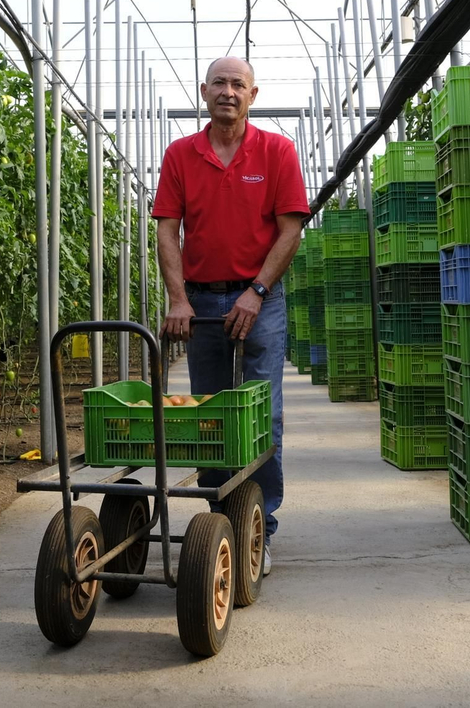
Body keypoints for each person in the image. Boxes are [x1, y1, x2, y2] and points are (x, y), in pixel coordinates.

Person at [152, 56, 308, 577]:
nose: (228, 91)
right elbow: (167, 230)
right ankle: (221, 523)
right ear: (204, 91)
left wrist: (257, 291)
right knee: (212, 415)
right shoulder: (181, 154)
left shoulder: (277, 151)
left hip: (259, 302)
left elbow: (290, 230)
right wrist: (178, 299)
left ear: (252, 95)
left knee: (263, 415)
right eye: (219, 82)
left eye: (238, 84)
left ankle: (260, 530)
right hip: (200, 304)